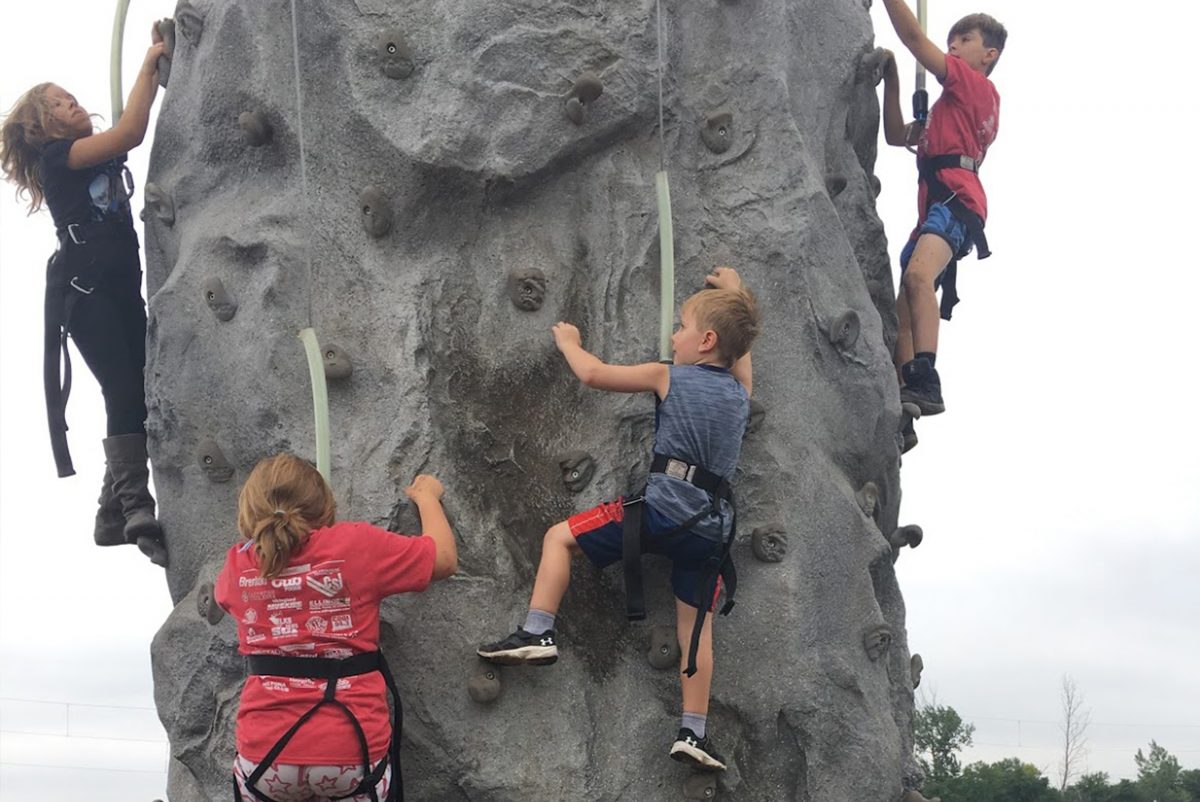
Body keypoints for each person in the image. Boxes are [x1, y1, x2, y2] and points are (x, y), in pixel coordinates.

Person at [478, 267, 759, 772]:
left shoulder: (667, 375)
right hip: (709, 532)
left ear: (706, 341)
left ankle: (538, 631)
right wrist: (734, 295)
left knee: (558, 538)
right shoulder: (740, 394)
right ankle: (693, 731)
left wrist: (569, 342)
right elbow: (741, 360)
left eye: (682, 327)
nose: (673, 335)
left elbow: (593, 374)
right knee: (696, 629)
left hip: (660, 514)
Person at [0, 25, 169, 562]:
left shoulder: (91, 156)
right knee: (123, 389)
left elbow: (123, 133)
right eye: (58, 102)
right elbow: (129, 133)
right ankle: (136, 506)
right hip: (85, 291)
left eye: (70, 96)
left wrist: (159, 65)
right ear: (43, 124)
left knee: (140, 389)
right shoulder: (58, 158)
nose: (72, 103)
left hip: (120, 290)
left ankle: (109, 513)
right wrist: (149, 63)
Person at [215, 453, 458, 802]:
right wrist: (427, 497)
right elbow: (444, 559)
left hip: (265, 757)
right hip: (351, 750)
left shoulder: (237, 565)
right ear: (325, 505)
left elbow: (225, 597)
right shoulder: (356, 545)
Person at [878, 2, 1006, 448]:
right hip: (937, 209)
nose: (952, 46)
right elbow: (896, 135)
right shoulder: (948, 110)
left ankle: (926, 378)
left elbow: (916, 40)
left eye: (964, 40)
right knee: (903, 313)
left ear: (988, 55)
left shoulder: (974, 87)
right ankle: (905, 404)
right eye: (950, 40)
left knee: (918, 277)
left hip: (957, 200)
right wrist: (893, 80)